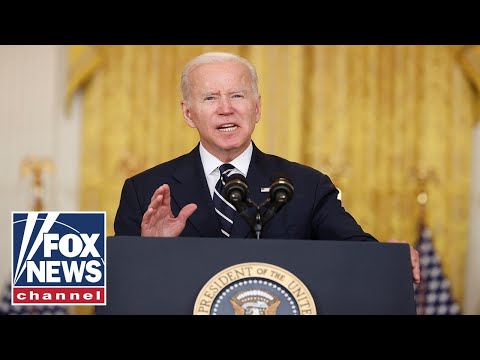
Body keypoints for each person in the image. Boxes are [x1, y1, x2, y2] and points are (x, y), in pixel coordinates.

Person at [114, 51, 420, 284]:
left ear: (257, 108)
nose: (225, 108)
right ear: (188, 113)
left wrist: (390, 258)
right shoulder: (144, 191)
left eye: (237, 95)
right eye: (210, 97)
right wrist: (148, 252)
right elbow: (122, 290)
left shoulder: (306, 186)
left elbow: (356, 248)